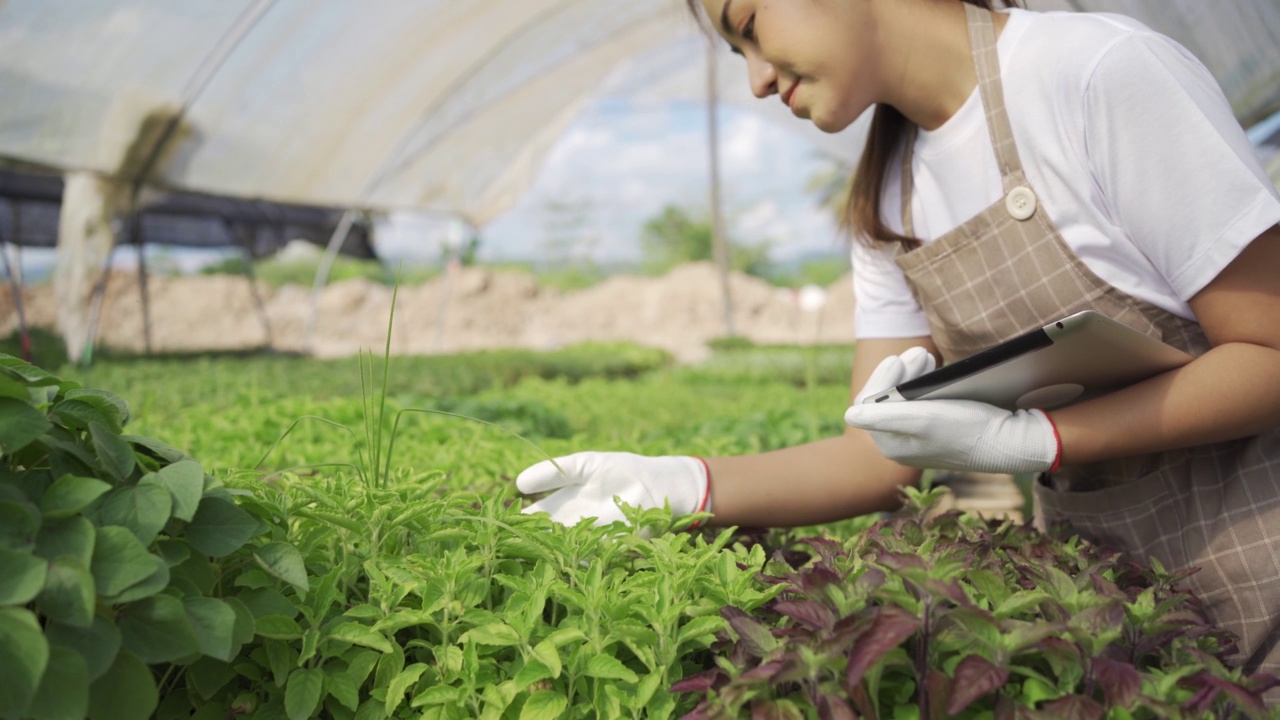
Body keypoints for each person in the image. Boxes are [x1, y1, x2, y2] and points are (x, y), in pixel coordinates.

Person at [515, 0, 1280, 687]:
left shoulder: (1090, 75)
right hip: (1125, 625)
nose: (754, 79)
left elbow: (1269, 353)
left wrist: (1040, 439)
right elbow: (878, 452)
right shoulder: (889, 197)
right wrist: (683, 485)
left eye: (749, 26)